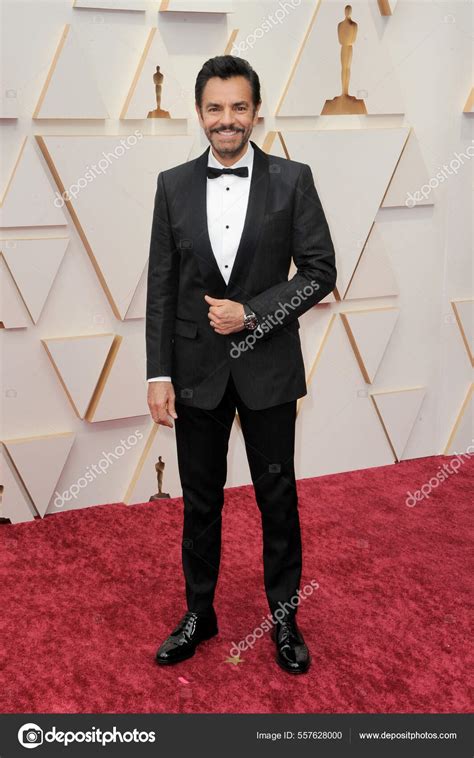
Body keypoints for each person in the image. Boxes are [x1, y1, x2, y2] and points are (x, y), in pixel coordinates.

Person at [146, 55, 337, 674]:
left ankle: (285, 618)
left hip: (269, 370)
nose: (226, 121)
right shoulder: (171, 184)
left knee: (276, 497)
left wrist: (251, 314)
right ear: (198, 112)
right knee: (201, 502)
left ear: (257, 110)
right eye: (213, 108)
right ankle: (200, 614)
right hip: (196, 372)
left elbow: (320, 272)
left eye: (238, 107)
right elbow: (161, 286)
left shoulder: (293, 179)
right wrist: (157, 373)